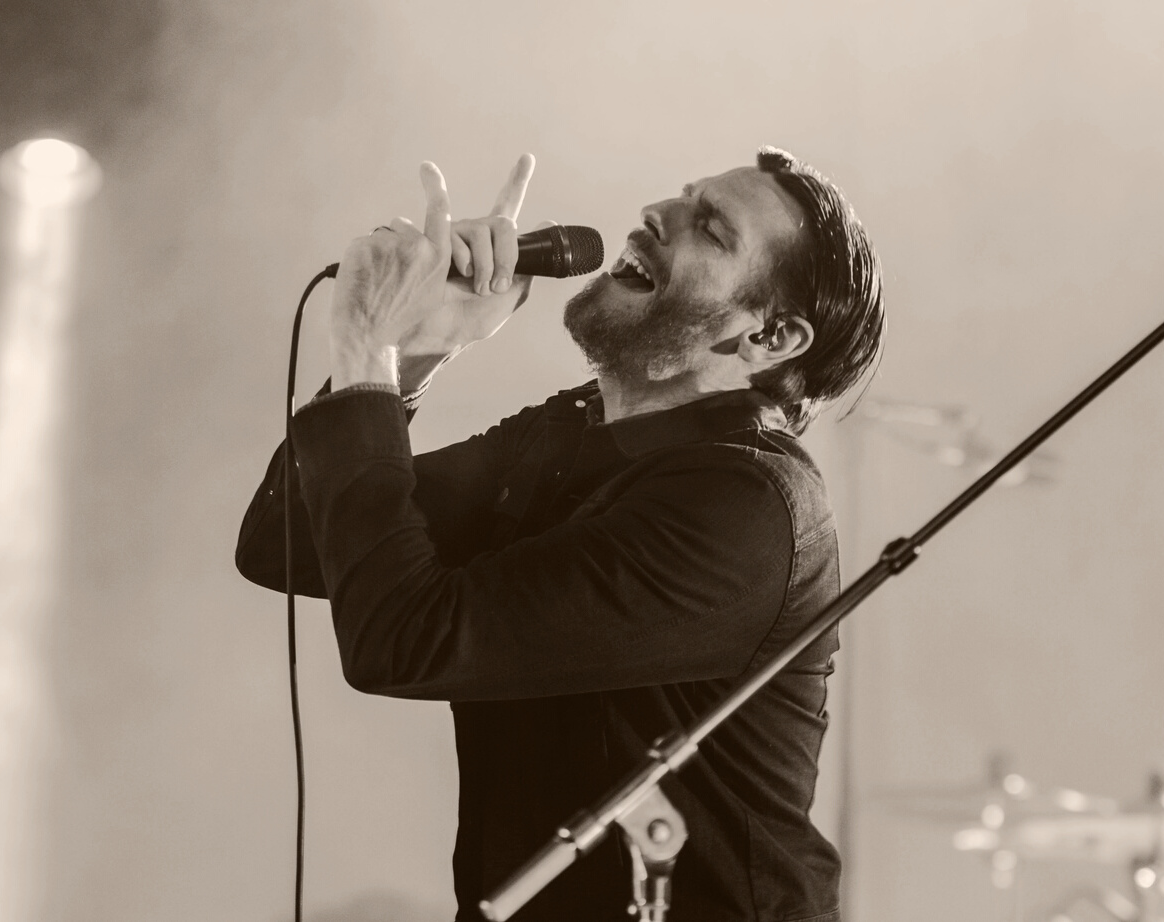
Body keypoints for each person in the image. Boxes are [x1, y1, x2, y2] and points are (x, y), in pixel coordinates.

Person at [236, 146, 883, 922]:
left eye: (709, 229)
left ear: (768, 338)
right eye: (683, 196)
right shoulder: (568, 432)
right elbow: (286, 541)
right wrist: (409, 356)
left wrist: (365, 346)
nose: (657, 213)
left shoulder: (748, 506)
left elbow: (405, 640)